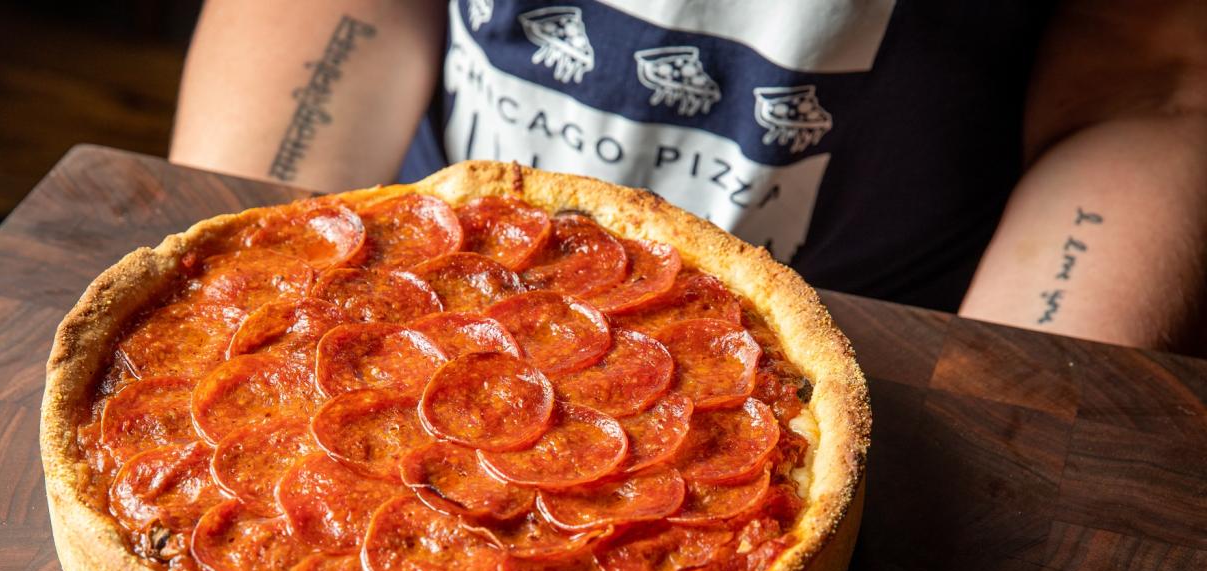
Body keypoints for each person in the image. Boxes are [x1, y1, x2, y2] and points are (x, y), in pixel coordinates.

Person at [170, 0, 1206, 352]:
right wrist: (254, 307)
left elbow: (1147, 73)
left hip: (893, 337)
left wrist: (1003, 422)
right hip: (400, 257)